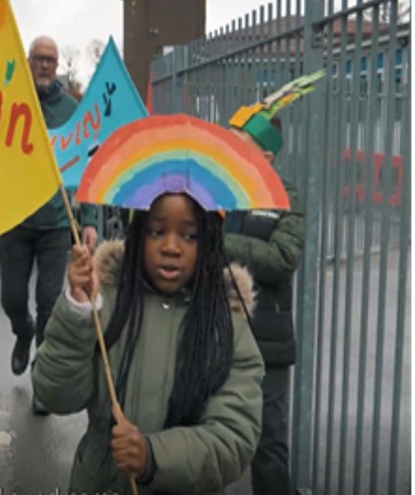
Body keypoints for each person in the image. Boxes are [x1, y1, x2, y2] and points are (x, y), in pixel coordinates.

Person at [32, 192, 264, 494]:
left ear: (209, 243)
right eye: (157, 231)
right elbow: (55, 395)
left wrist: (152, 457)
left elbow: (233, 438)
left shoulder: (229, 326)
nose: (170, 247)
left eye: (189, 235)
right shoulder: (107, 301)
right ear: (138, 232)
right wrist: (77, 311)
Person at [0, 35, 99, 413]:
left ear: (57, 67)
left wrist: (88, 218)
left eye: (51, 60)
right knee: (11, 299)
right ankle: (21, 333)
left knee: (47, 303)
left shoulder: (73, 110)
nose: (45, 65)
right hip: (15, 221)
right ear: (28, 61)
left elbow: (88, 166)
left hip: (58, 223)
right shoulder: (12, 102)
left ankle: (41, 383)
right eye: (39, 59)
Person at [226, 115, 306, 495]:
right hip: (215, 331)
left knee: (268, 443)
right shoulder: (217, 192)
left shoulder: (286, 199)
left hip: (266, 337)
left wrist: (221, 241)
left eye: (240, 143)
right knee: (208, 436)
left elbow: (283, 258)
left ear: (267, 157)